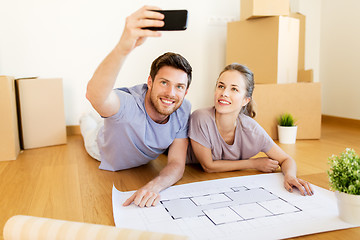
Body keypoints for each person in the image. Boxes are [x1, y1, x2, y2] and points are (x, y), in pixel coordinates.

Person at [81, 6, 193, 208]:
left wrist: (154, 186)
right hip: (102, 146)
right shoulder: (129, 105)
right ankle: (86, 118)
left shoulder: (183, 108)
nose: (171, 93)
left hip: (129, 141)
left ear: (185, 92)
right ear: (149, 82)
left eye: (179, 87)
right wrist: (123, 48)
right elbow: (94, 95)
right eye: (164, 83)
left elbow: (176, 163)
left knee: (103, 115)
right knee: (88, 123)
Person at [188, 63, 313, 196]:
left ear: (245, 100)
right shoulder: (200, 117)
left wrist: (290, 176)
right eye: (221, 86)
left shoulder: (251, 129)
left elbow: (286, 159)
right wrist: (253, 164)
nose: (224, 93)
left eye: (234, 89)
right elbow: (208, 166)